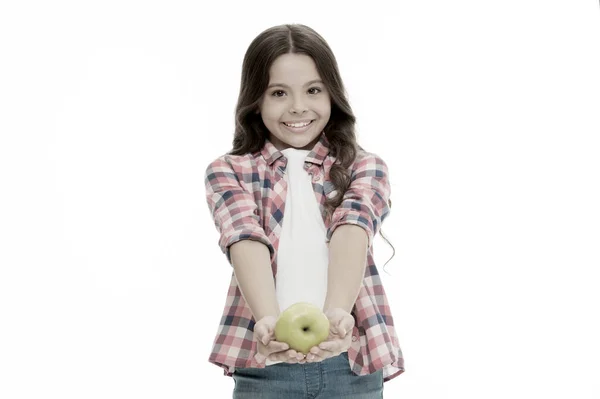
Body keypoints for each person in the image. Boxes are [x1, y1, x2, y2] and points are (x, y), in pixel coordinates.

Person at [204, 23, 404, 399]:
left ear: (332, 94)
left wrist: (337, 317)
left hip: (353, 364)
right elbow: (245, 239)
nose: (298, 106)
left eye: (313, 90)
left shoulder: (365, 166)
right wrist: (267, 321)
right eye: (278, 92)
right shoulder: (229, 171)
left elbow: (352, 229)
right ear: (255, 101)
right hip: (265, 368)